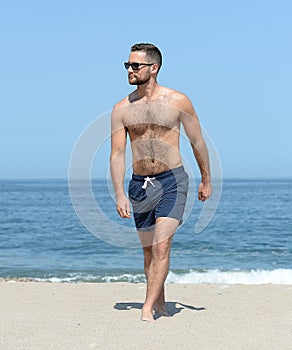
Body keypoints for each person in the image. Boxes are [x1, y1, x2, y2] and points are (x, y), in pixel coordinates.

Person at [110, 43, 212, 322]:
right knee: (148, 253)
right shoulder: (121, 108)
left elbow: (197, 142)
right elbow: (117, 154)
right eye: (127, 65)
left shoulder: (179, 101)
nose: (130, 70)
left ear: (153, 68)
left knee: (161, 246)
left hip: (172, 180)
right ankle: (161, 304)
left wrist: (206, 179)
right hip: (139, 184)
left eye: (135, 65)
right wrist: (119, 194)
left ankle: (146, 308)